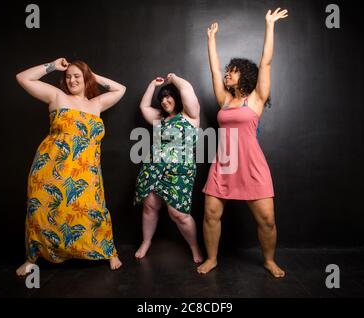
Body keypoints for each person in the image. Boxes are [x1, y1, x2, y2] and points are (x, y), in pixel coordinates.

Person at [198, 8, 288, 277]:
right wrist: (211, 39)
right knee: (211, 215)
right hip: (224, 164)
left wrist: (270, 25)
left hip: (251, 164)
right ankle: (212, 258)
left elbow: (267, 62)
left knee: (267, 220)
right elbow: (213, 69)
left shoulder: (257, 98)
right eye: (229, 71)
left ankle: (269, 260)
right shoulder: (225, 99)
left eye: (233, 72)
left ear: (245, 76)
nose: (227, 74)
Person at [15, 58, 126, 275]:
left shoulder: (97, 104)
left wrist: (93, 75)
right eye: (68, 76)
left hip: (86, 172)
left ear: (86, 79)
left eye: (77, 76)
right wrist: (52, 66)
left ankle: (109, 252)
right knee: (41, 210)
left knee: (94, 211)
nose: (72, 80)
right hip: (51, 169)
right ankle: (32, 257)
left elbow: (121, 89)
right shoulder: (58, 97)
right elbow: (22, 77)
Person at [134, 73, 203, 264]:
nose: (164, 101)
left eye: (168, 96)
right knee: (150, 206)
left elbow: (187, 88)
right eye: (162, 98)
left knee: (179, 214)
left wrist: (172, 79)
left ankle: (194, 246)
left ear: (177, 98)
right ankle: (146, 242)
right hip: (153, 169)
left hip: (179, 172)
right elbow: (144, 107)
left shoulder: (190, 116)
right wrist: (152, 84)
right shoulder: (159, 119)